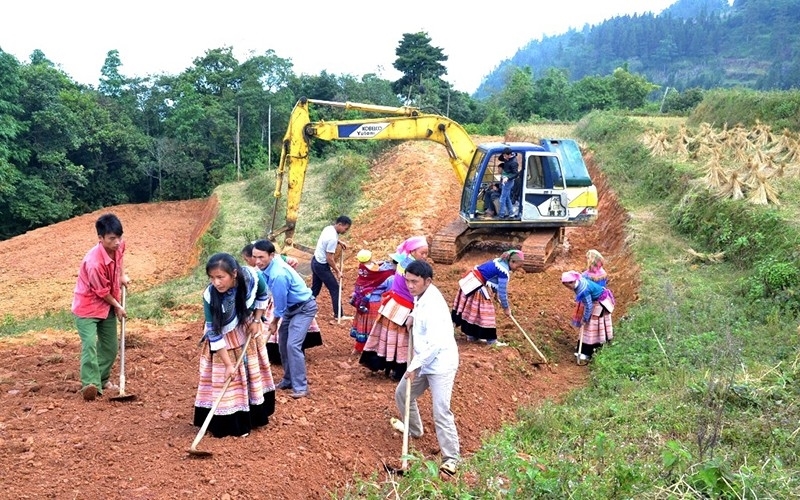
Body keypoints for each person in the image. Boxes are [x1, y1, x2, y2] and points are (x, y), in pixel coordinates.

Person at [194, 253, 276, 437]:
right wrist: (228, 364)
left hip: (246, 329)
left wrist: (256, 320)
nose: (216, 282)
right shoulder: (210, 296)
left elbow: (263, 295)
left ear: (234, 274)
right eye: (212, 278)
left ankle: (253, 416)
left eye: (220, 277)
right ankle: (230, 423)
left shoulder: (252, 278)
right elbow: (214, 333)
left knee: (250, 371)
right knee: (229, 378)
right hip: (223, 341)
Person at [393, 259, 461, 476]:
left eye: (414, 282)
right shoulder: (421, 296)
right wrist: (413, 315)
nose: (410, 286)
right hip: (423, 359)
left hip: (440, 362)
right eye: (407, 281)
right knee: (402, 393)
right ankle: (414, 430)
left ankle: (451, 458)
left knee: (441, 410)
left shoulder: (434, 306)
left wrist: (413, 366)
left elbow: (435, 343)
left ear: (428, 281)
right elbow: (417, 305)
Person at [72, 213, 130, 402]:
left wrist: (121, 275)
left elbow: (119, 259)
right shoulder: (94, 263)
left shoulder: (119, 246)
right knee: (89, 345)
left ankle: (102, 378)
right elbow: (102, 292)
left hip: (106, 306)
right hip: (87, 306)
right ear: (100, 238)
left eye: (119, 237)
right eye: (112, 238)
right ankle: (91, 385)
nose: (117, 242)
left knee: (111, 347)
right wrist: (119, 306)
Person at [252, 239, 318, 399]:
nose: (258, 261)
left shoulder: (278, 275)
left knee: (293, 345)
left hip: (303, 308)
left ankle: (301, 387)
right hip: (291, 307)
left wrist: (274, 322)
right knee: (283, 343)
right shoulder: (268, 266)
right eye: (255, 257)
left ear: (271, 255)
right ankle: (288, 379)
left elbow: (279, 305)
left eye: (261, 257)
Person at [360, 236, 428, 380]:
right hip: (403, 309)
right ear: (413, 251)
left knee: (388, 338)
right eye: (422, 253)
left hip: (394, 306)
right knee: (402, 341)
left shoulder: (404, 260)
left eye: (426, 253)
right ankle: (400, 371)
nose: (425, 256)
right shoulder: (413, 267)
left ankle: (386, 365)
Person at [451, 249, 525, 346]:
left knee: (473, 312)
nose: (517, 269)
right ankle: (491, 341)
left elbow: (491, 277)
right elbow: (503, 292)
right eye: (517, 266)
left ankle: (472, 336)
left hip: (471, 282)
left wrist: (495, 293)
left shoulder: (498, 261)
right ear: (512, 261)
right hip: (476, 286)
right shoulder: (504, 271)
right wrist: (506, 308)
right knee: (487, 313)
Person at [561, 270, 615, 361]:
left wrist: (585, 319)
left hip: (601, 302)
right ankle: (587, 350)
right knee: (590, 326)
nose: (568, 288)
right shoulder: (579, 281)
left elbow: (588, 306)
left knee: (592, 326)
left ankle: (590, 351)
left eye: (568, 285)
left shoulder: (583, 290)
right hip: (596, 300)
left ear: (573, 282)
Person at [349, 250, 396, 353]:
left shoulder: (363, 270)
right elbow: (389, 291)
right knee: (373, 327)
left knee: (362, 324)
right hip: (374, 303)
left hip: (361, 301)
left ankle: (358, 348)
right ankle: (370, 350)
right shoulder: (389, 276)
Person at [311, 215, 352, 322]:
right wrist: (337, 271)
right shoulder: (332, 238)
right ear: (340, 225)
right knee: (335, 288)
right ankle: (339, 315)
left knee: (315, 288)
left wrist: (339, 241)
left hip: (315, 261)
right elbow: (330, 258)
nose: (345, 231)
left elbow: (330, 239)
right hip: (321, 265)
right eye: (345, 228)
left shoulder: (329, 229)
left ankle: (305, 308)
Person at [497, 147, 519, 219]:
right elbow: (500, 159)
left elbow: (516, 174)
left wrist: (508, 178)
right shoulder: (506, 158)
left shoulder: (513, 162)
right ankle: (511, 213)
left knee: (502, 198)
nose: (504, 157)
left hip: (508, 182)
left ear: (509, 155)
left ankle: (501, 214)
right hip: (505, 180)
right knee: (507, 198)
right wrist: (504, 156)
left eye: (505, 155)